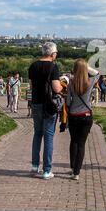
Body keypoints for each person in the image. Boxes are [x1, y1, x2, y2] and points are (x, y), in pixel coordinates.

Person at [28, 42, 62, 180]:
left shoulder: (33, 66)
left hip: (35, 103)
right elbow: (57, 88)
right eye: (56, 53)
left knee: (37, 133)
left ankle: (35, 165)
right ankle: (47, 170)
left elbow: (31, 85)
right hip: (49, 105)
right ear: (52, 54)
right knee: (48, 136)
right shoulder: (53, 67)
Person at [66, 59, 99, 181]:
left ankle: (73, 166)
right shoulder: (90, 82)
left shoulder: (71, 83)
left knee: (73, 141)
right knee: (81, 144)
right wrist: (87, 67)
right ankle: (76, 172)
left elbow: (68, 101)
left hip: (74, 115)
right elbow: (98, 73)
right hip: (86, 115)